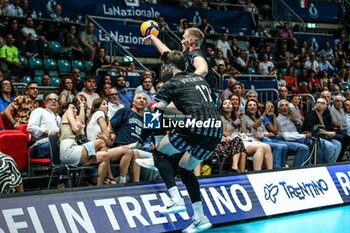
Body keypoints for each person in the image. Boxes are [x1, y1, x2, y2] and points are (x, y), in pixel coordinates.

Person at [124, 51, 222, 232]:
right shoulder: (199, 79)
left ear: (169, 67)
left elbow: (155, 113)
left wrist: (141, 140)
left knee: (159, 153)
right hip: (216, 128)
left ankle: (175, 198)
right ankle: (200, 218)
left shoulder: (171, 83)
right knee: (186, 170)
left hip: (195, 125)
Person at [59, 98, 111, 186]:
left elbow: (81, 118)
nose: (75, 110)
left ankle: (99, 186)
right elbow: (75, 129)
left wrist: (82, 105)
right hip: (68, 150)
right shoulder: (68, 112)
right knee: (101, 142)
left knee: (105, 156)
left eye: (76, 108)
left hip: (75, 151)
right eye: (73, 108)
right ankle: (108, 176)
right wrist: (79, 126)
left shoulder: (74, 118)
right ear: (66, 110)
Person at [108, 93, 148, 183]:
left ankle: (136, 183)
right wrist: (112, 133)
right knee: (130, 151)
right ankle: (122, 182)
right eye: (139, 98)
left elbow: (148, 137)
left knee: (135, 152)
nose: (141, 100)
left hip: (136, 149)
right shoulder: (125, 111)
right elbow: (111, 123)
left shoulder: (146, 119)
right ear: (133, 102)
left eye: (144, 99)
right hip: (121, 147)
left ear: (146, 104)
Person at [243, 100, 288, 168]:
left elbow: (269, 132)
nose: (252, 107)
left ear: (257, 108)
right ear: (246, 108)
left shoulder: (258, 117)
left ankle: (283, 167)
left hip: (267, 138)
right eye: (250, 105)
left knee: (284, 146)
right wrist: (264, 113)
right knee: (280, 147)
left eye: (254, 105)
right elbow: (254, 126)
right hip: (257, 141)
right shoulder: (245, 118)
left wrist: (266, 134)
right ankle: (276, 169)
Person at [302, 98, 341, 164]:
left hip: (322, 136)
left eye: (322, 103)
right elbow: (314, 128)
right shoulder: (312, 113)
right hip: (312, 136)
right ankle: (322, 164)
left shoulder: (324, 115)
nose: (320, 104)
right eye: (318, 102)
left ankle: (331, 164)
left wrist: (330, 132)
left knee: (338, 144)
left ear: (326, 106)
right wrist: (328, 133)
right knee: (329, 146)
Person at [86, 98, 116, 184]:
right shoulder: (99, 113)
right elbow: (107, 134)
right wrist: (108, 135)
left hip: (98, 148)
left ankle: (110, 177)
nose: (107, 106)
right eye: (104, 104)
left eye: (107, 104)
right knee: (128, 152)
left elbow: (109, 140)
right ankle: (112, 177)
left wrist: (108, 120)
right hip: (96, 149)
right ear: (97, 107)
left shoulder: (95, 116)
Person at [276, 100, 311, 166]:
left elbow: (297, 128)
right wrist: (304, 136)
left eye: (286, 105)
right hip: (288, 141)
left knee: (315, 142)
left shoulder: (289, 117)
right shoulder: (279, 119)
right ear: (278, 109)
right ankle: (298, 168)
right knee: (305, 147)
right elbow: (287, 137)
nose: (284, 107)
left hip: (297, 138)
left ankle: (309, 166)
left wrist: (294, 119)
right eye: (282, 105)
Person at [27, 93, 60, 158]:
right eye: (50, 99)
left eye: (56, 100)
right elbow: (30, 128)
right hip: (41, 146)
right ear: (45, 103)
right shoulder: (39, 111)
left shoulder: (59, 117)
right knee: (63, 147)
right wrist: (50, 133)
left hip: (57, 144)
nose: (53, 101)